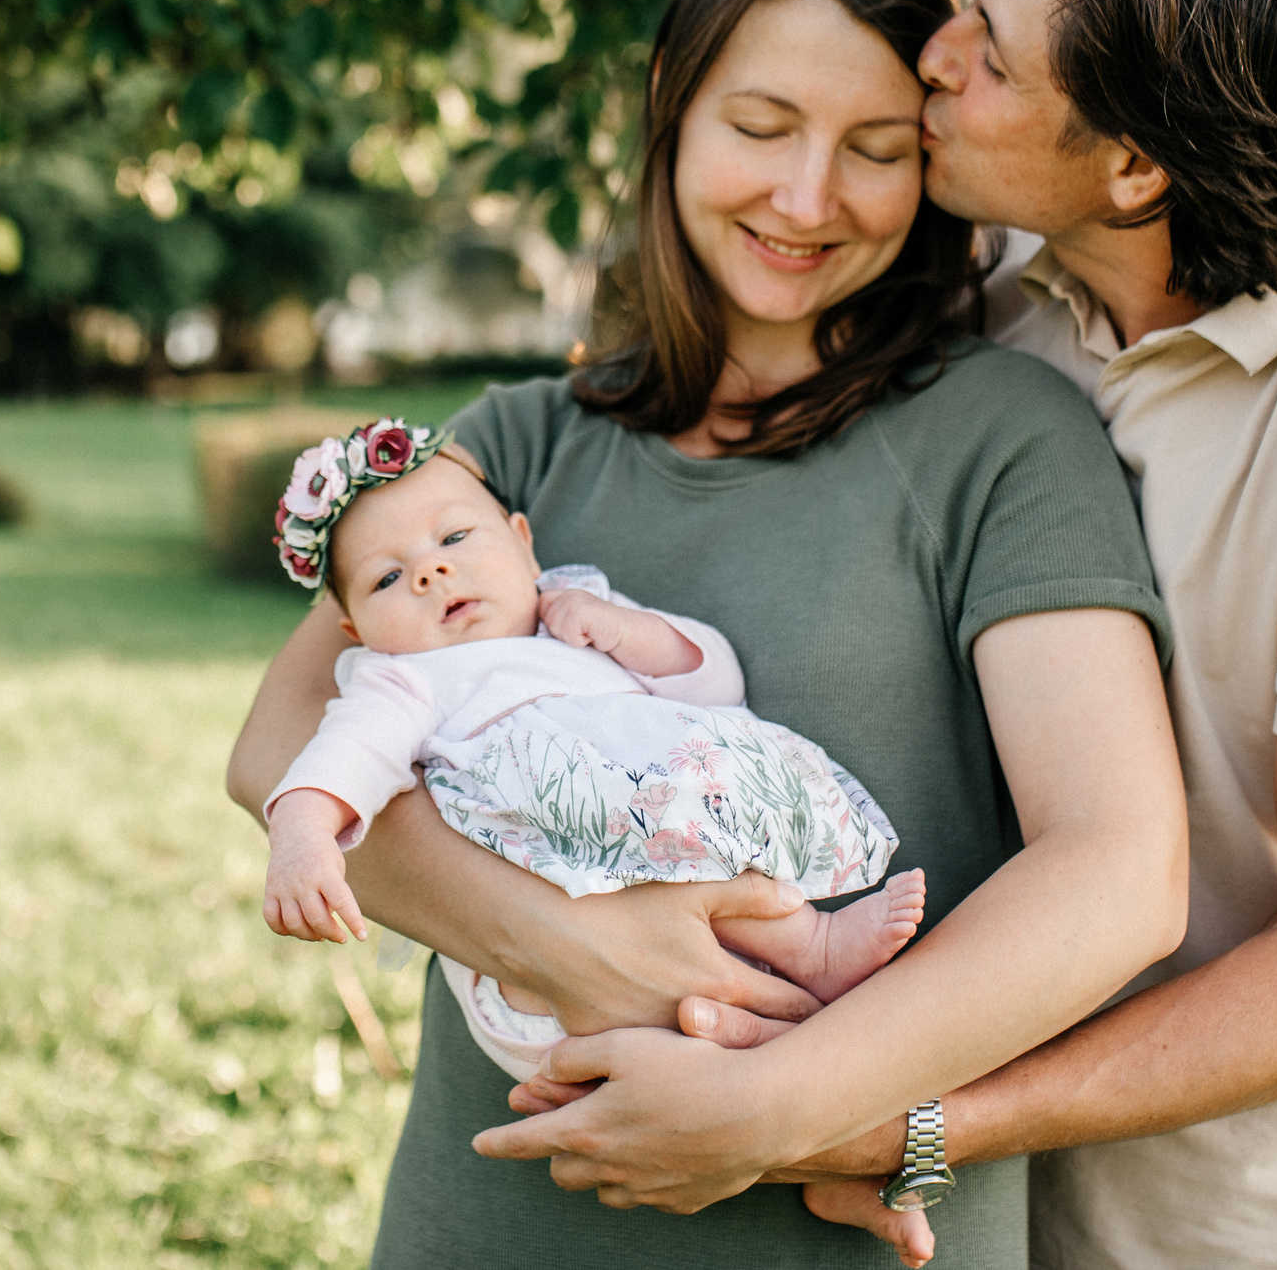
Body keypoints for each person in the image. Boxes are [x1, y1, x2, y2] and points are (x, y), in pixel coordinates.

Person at [486, 0, 1277, 1268]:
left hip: (1194, 1231)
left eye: (990, 55)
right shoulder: (994, 301)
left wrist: (901, 1119)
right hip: (906, 1202)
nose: (934, 56)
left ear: (1131, 170)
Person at [225, 0, 1190, 1269]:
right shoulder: (508, 455)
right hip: (495, 1223)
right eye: (759, 125)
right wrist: (570, 949)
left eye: (874, 144)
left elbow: (1120, 870)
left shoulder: (1003, 438)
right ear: (672, 106)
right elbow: (275, 748)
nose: (809, 196)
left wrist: (774, 1104)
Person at [256, 417, 933, 1259]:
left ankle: (853, 1167)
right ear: (353, 626)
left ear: (522, 542)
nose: (432, 571)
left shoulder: (576, 610)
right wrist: (304, 837)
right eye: (390, 577)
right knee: (704, 1030)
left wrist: (629, 633)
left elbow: (714, 679)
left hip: (658, 852)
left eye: (456, 537)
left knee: (753, 992)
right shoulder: (405, 681)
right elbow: (340, 756)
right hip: (556, 939)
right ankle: (820, 951)